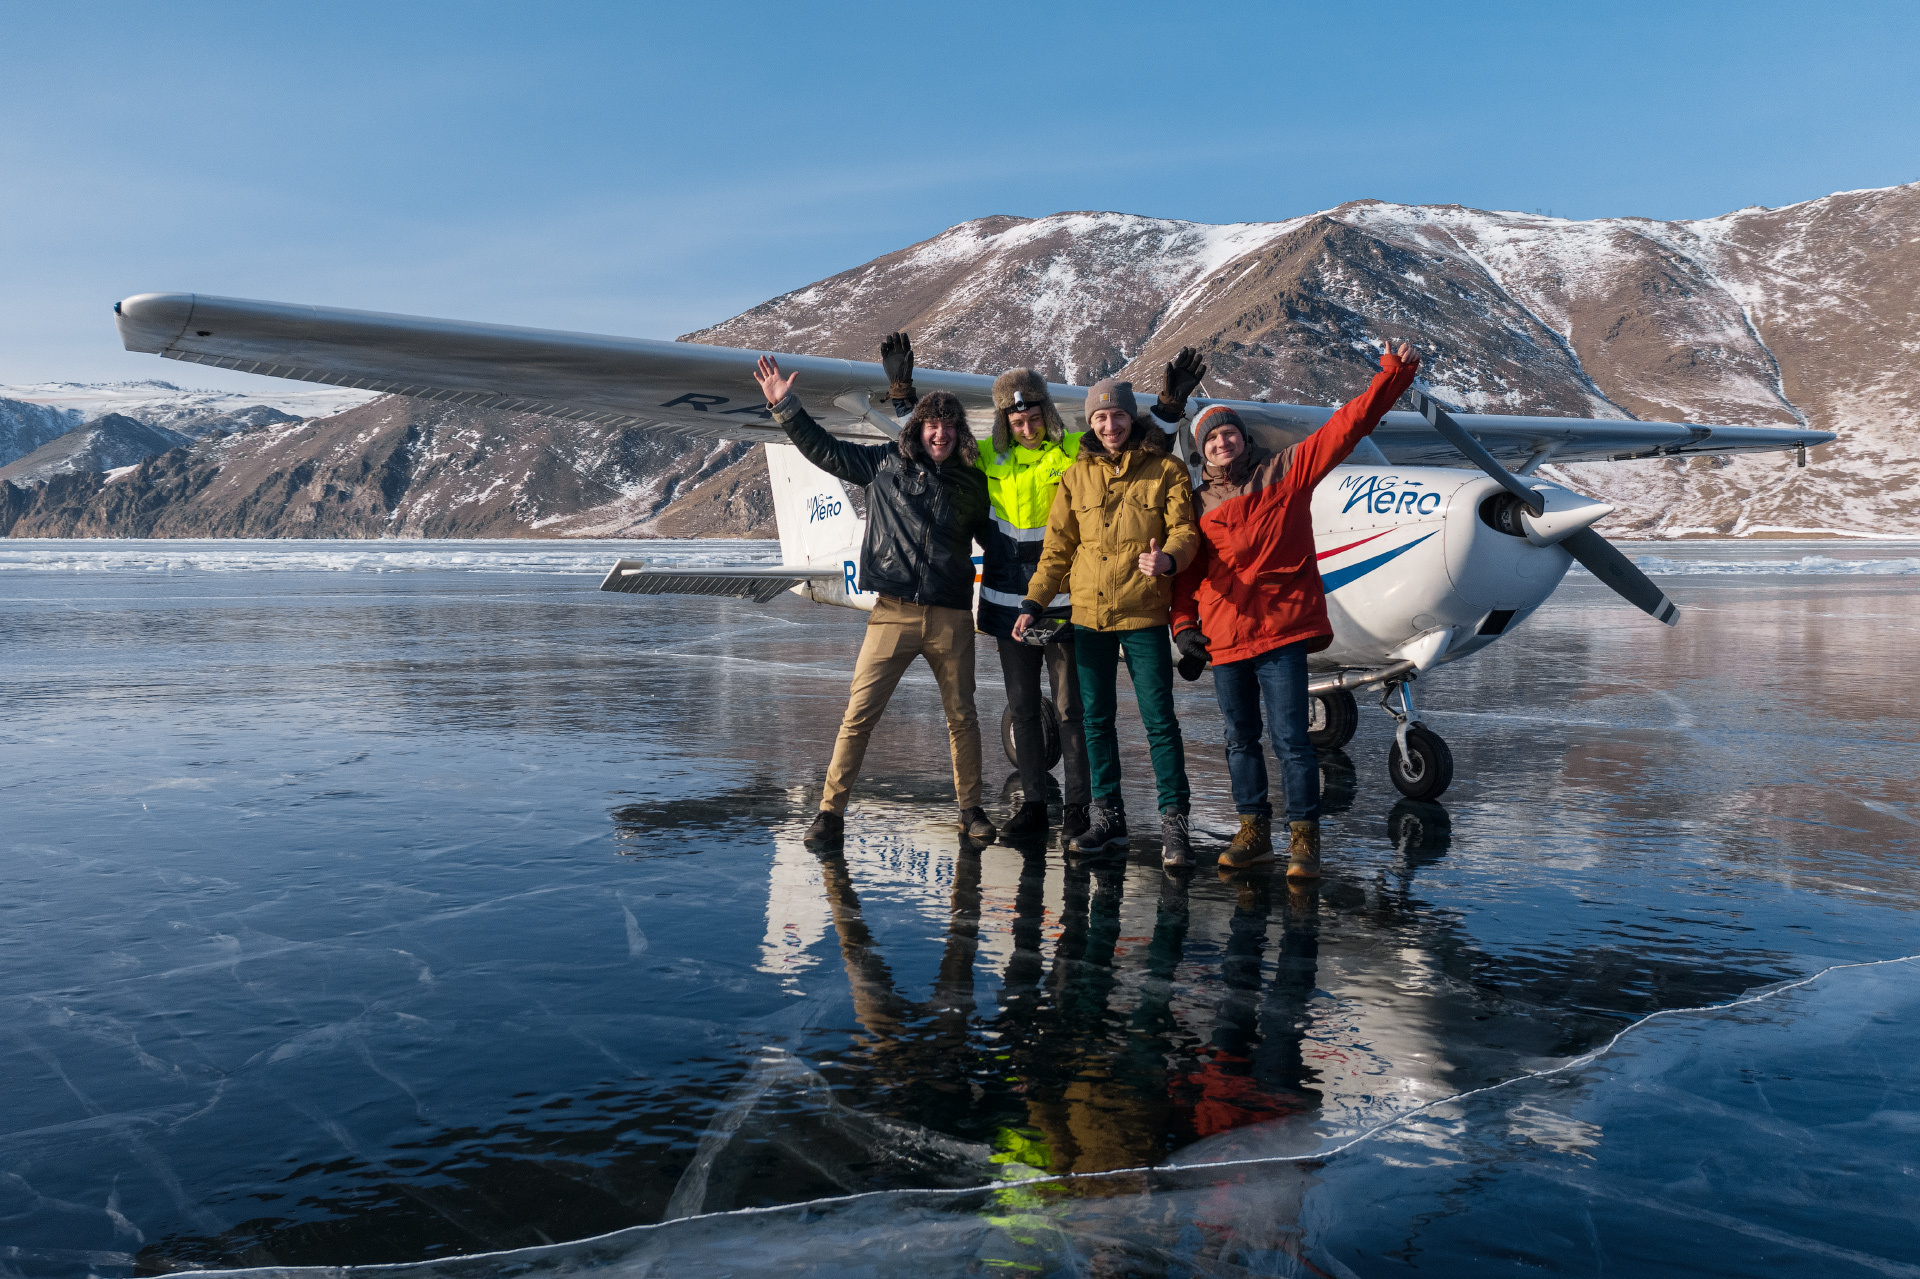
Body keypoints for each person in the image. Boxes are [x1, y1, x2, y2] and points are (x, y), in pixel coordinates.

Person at [1172, 342, 1421, 880]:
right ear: (1202, 451)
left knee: (1290, 739)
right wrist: (1185, 627)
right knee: (1239, 739)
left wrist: (1394, 376)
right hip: (1225, 638)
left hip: (1280, 634)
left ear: (1244, 439)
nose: (1222, 442)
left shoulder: (1286, 472)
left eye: (1228, 433)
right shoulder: (1195, 506)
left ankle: (1304, 837)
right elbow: (1188, 576)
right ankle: (1253, 831)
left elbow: (1347, 427)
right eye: (1211, 438)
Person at [750, 353, 995, 846]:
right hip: (893, 613)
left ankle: (971, 810)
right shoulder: (885, 463)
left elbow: (999, 540)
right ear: (920, 428)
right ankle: (829, 813)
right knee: (858, 714)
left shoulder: (973, 482)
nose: (940, 434)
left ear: (959, 433)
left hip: (951, 615)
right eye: (932, 424)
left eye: (949, 426)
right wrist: (787, 408)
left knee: (963, 718)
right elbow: (825, 451)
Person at [878, 333, 1097, 845]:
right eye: (1016, 421)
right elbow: (926, 443)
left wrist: (1171, 412)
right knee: (1022, 707)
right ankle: (1037, 806)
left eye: (1033, 417)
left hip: (1064, 599)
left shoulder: (1073, 450)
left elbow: (1123, 443)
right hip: (1005, 603)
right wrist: (902, 393)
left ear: (1045, 414)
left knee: (1070, 708)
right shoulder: (986, 459)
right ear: (1005, 422)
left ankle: (1080, 806)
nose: (1026, 427)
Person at [1012, 354, 1206, 865]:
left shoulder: (1165, 470)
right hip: (1089, 618)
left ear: (1131, 417)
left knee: (1159, 721)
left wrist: (1168, 558)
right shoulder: (1075, 478)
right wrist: (1034, 602)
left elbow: (1186, 531)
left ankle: (1175, 825)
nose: (1110, 424)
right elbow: (1057, 550)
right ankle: (1109, 820)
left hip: (1143, 614)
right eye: (1100, 417)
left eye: (1117, 415)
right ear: (1091, 423)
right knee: (1095, 720)